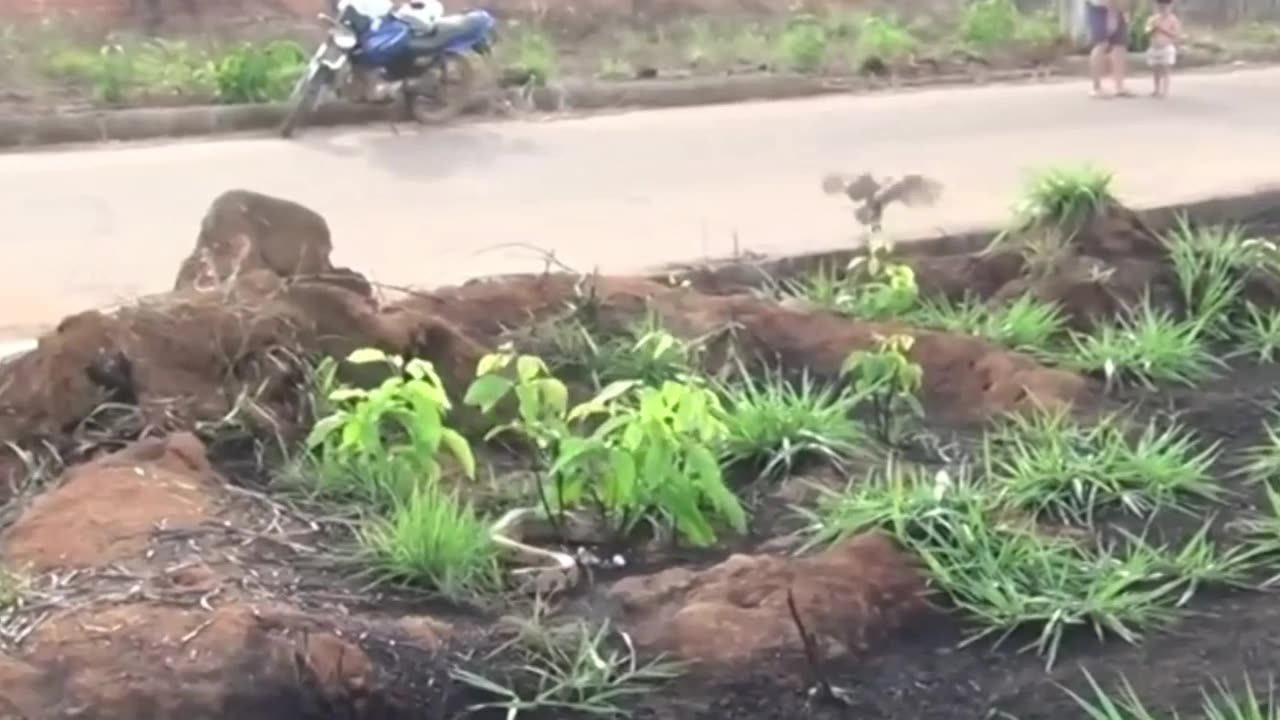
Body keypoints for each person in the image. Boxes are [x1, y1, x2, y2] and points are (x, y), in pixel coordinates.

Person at [1087, 0, 1132, 98]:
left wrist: (1123, 10)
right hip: (1100, 7)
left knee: (1120, 45)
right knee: (1101, 44)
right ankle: (1096, 87)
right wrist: (1112, 14)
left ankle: (1119, 86)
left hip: (1118, 8)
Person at [1145, 0, 1185, 97]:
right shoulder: (1152, 19)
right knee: (1155, 70)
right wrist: (1153, 28)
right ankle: (1156, 89)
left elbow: (1176, 34)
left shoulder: (1173, 20)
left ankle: (1165, 91)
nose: (1163, 8)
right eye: (1160, 6)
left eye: (1166, 6)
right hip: (1154, 47)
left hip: (1166, 48)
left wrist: (1162, 29)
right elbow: (1146, 32)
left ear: (1170, 6)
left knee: (1166, 69)